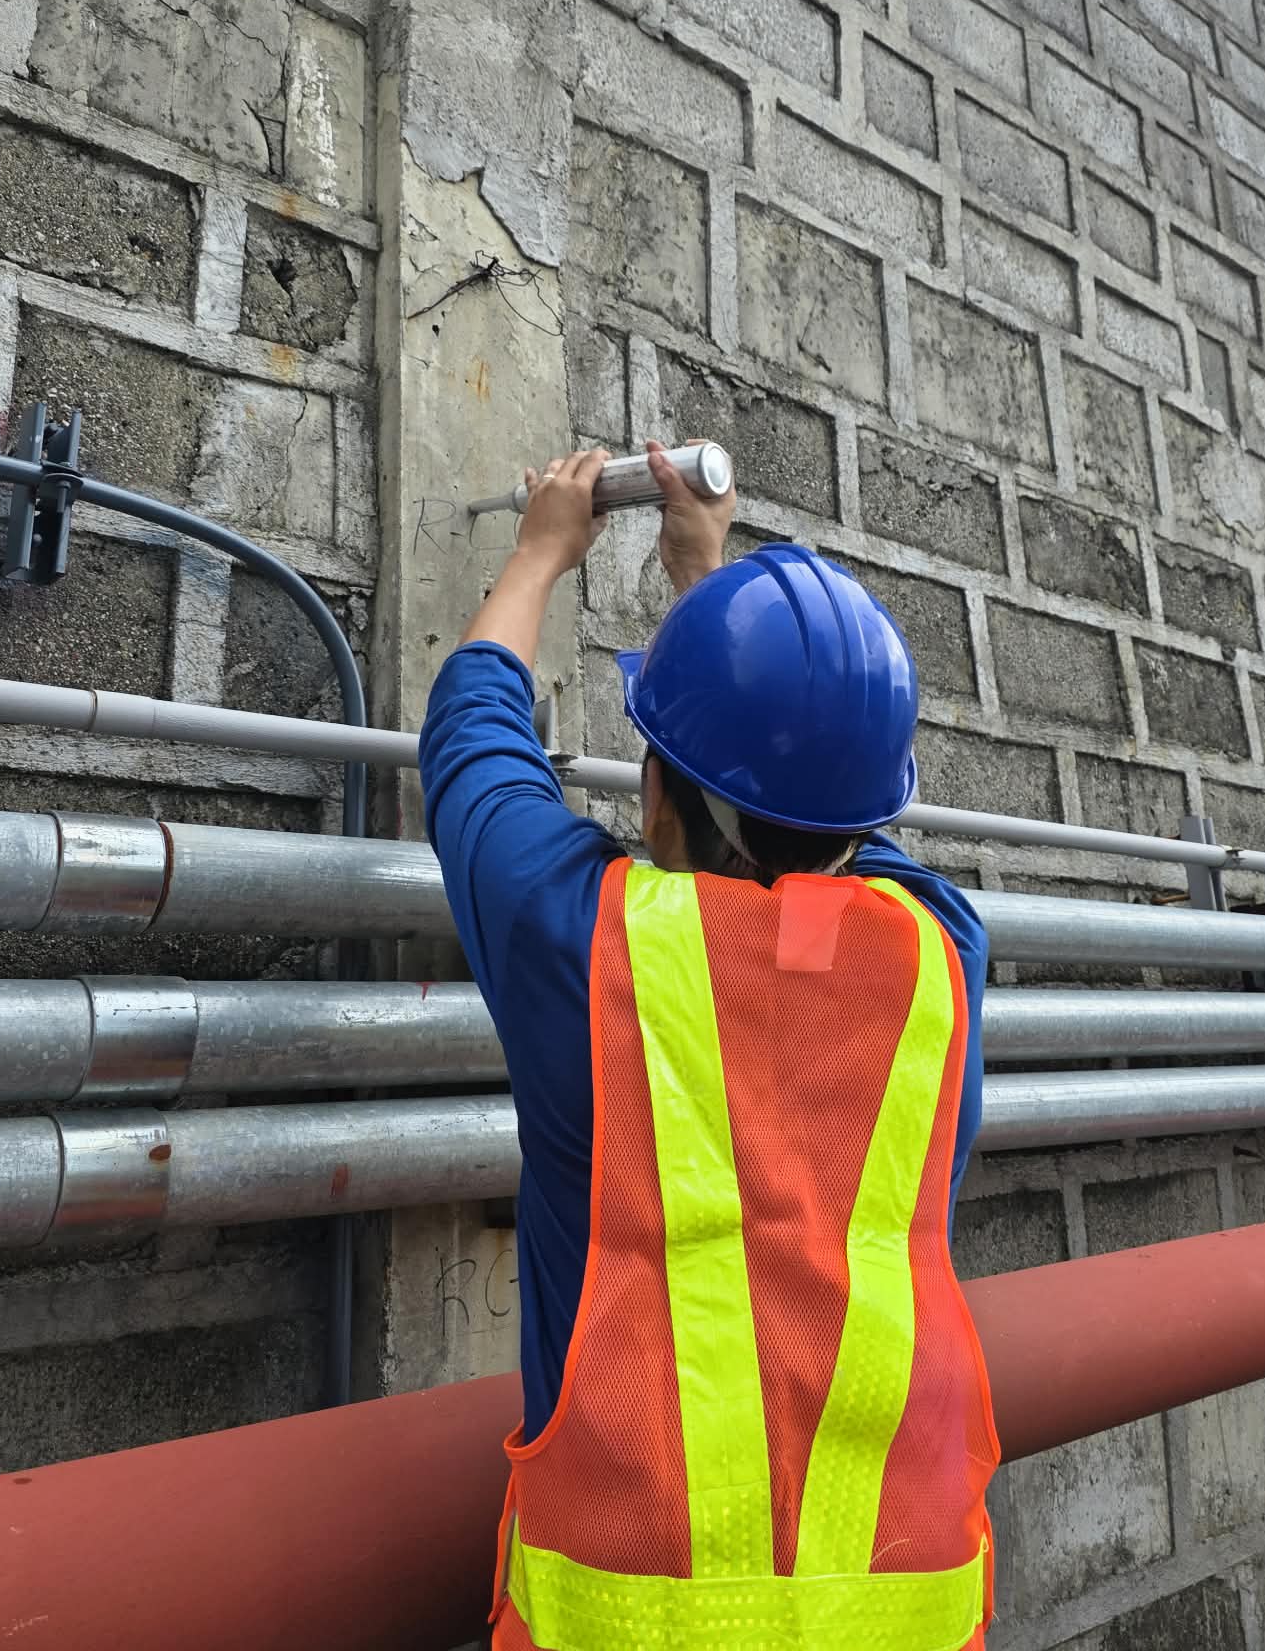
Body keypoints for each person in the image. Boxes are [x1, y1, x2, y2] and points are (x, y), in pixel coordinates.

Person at [421, 442, 999, 1650]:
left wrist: (540, 550)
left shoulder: (593, 953)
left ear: (654, 795)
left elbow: (475, 744)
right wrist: (711, 582)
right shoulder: (940, 956)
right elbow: (828, 809)